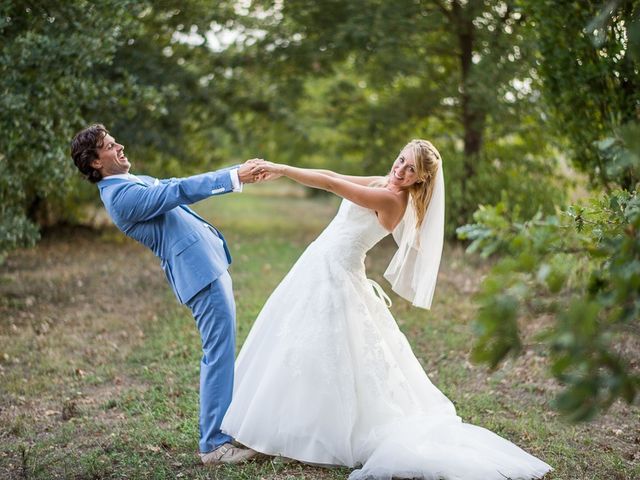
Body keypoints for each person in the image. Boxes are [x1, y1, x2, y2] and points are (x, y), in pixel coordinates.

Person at [221, 139, 553, 479]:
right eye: (401, 160)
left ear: (419, 180)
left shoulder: (392, 199)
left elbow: (333, 185)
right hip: (319, 268)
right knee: (299, 347)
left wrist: (282, 169)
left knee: (315, 349)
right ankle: (279, 429)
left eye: (411, 170)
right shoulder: (384, 182)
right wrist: (281, 167)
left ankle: (280, 437)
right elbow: (333, 172)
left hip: (335, 275)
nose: (400, 170)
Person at [70, 124, 264, 465]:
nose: (120, 147)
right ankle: (213, 445)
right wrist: (234, 176)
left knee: (221, 351)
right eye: (110, 146)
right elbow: (178, 190)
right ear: (95, 162)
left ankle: (223, 432)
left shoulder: (126, 181)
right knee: (218, 354)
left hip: (208, 266)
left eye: (116, 141)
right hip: (199, 276)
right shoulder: (120, 197)